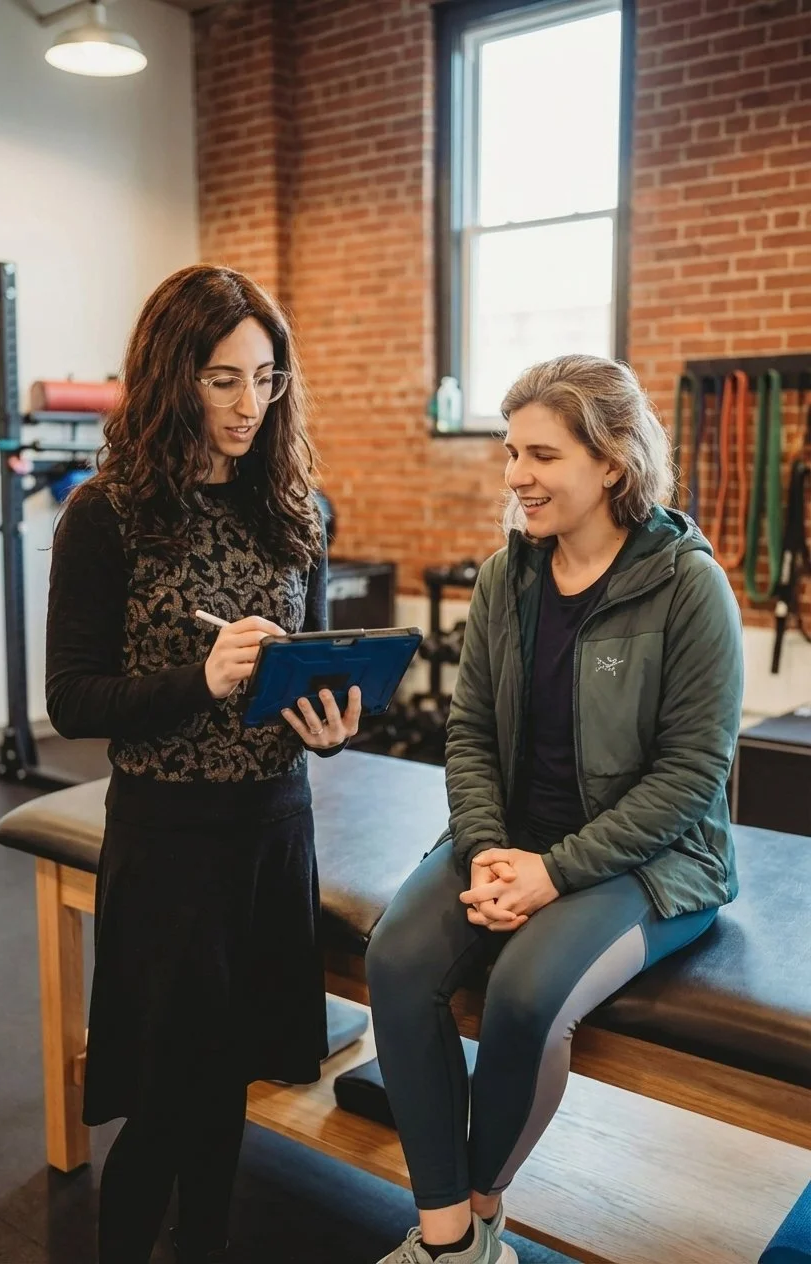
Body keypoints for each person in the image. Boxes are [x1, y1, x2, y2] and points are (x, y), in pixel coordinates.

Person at [366, 354, 743, 1264]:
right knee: (395, 957)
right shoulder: (508, 577)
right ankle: (452, 1238)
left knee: (525, 993)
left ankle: (481, 1205)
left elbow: (692, 776)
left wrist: (554, 873)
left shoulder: (690, 587)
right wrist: (492, 849)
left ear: (612, 463)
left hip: (647, 861)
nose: (516, 477)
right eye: (510, 453)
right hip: (512, 841)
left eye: (542, 455)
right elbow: (468, 736)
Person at [45, 264, 361, 1264]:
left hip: (273, 829)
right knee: (170, 1101)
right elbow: (74, 700)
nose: (245, 404)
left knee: (225, 1089)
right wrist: (203, 677)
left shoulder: (297, 509)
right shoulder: (104, 517)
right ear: (171, 375)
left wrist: (327, 718)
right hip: (169, 841)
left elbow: (306, 661)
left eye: (264, 378)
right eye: (221, 377)